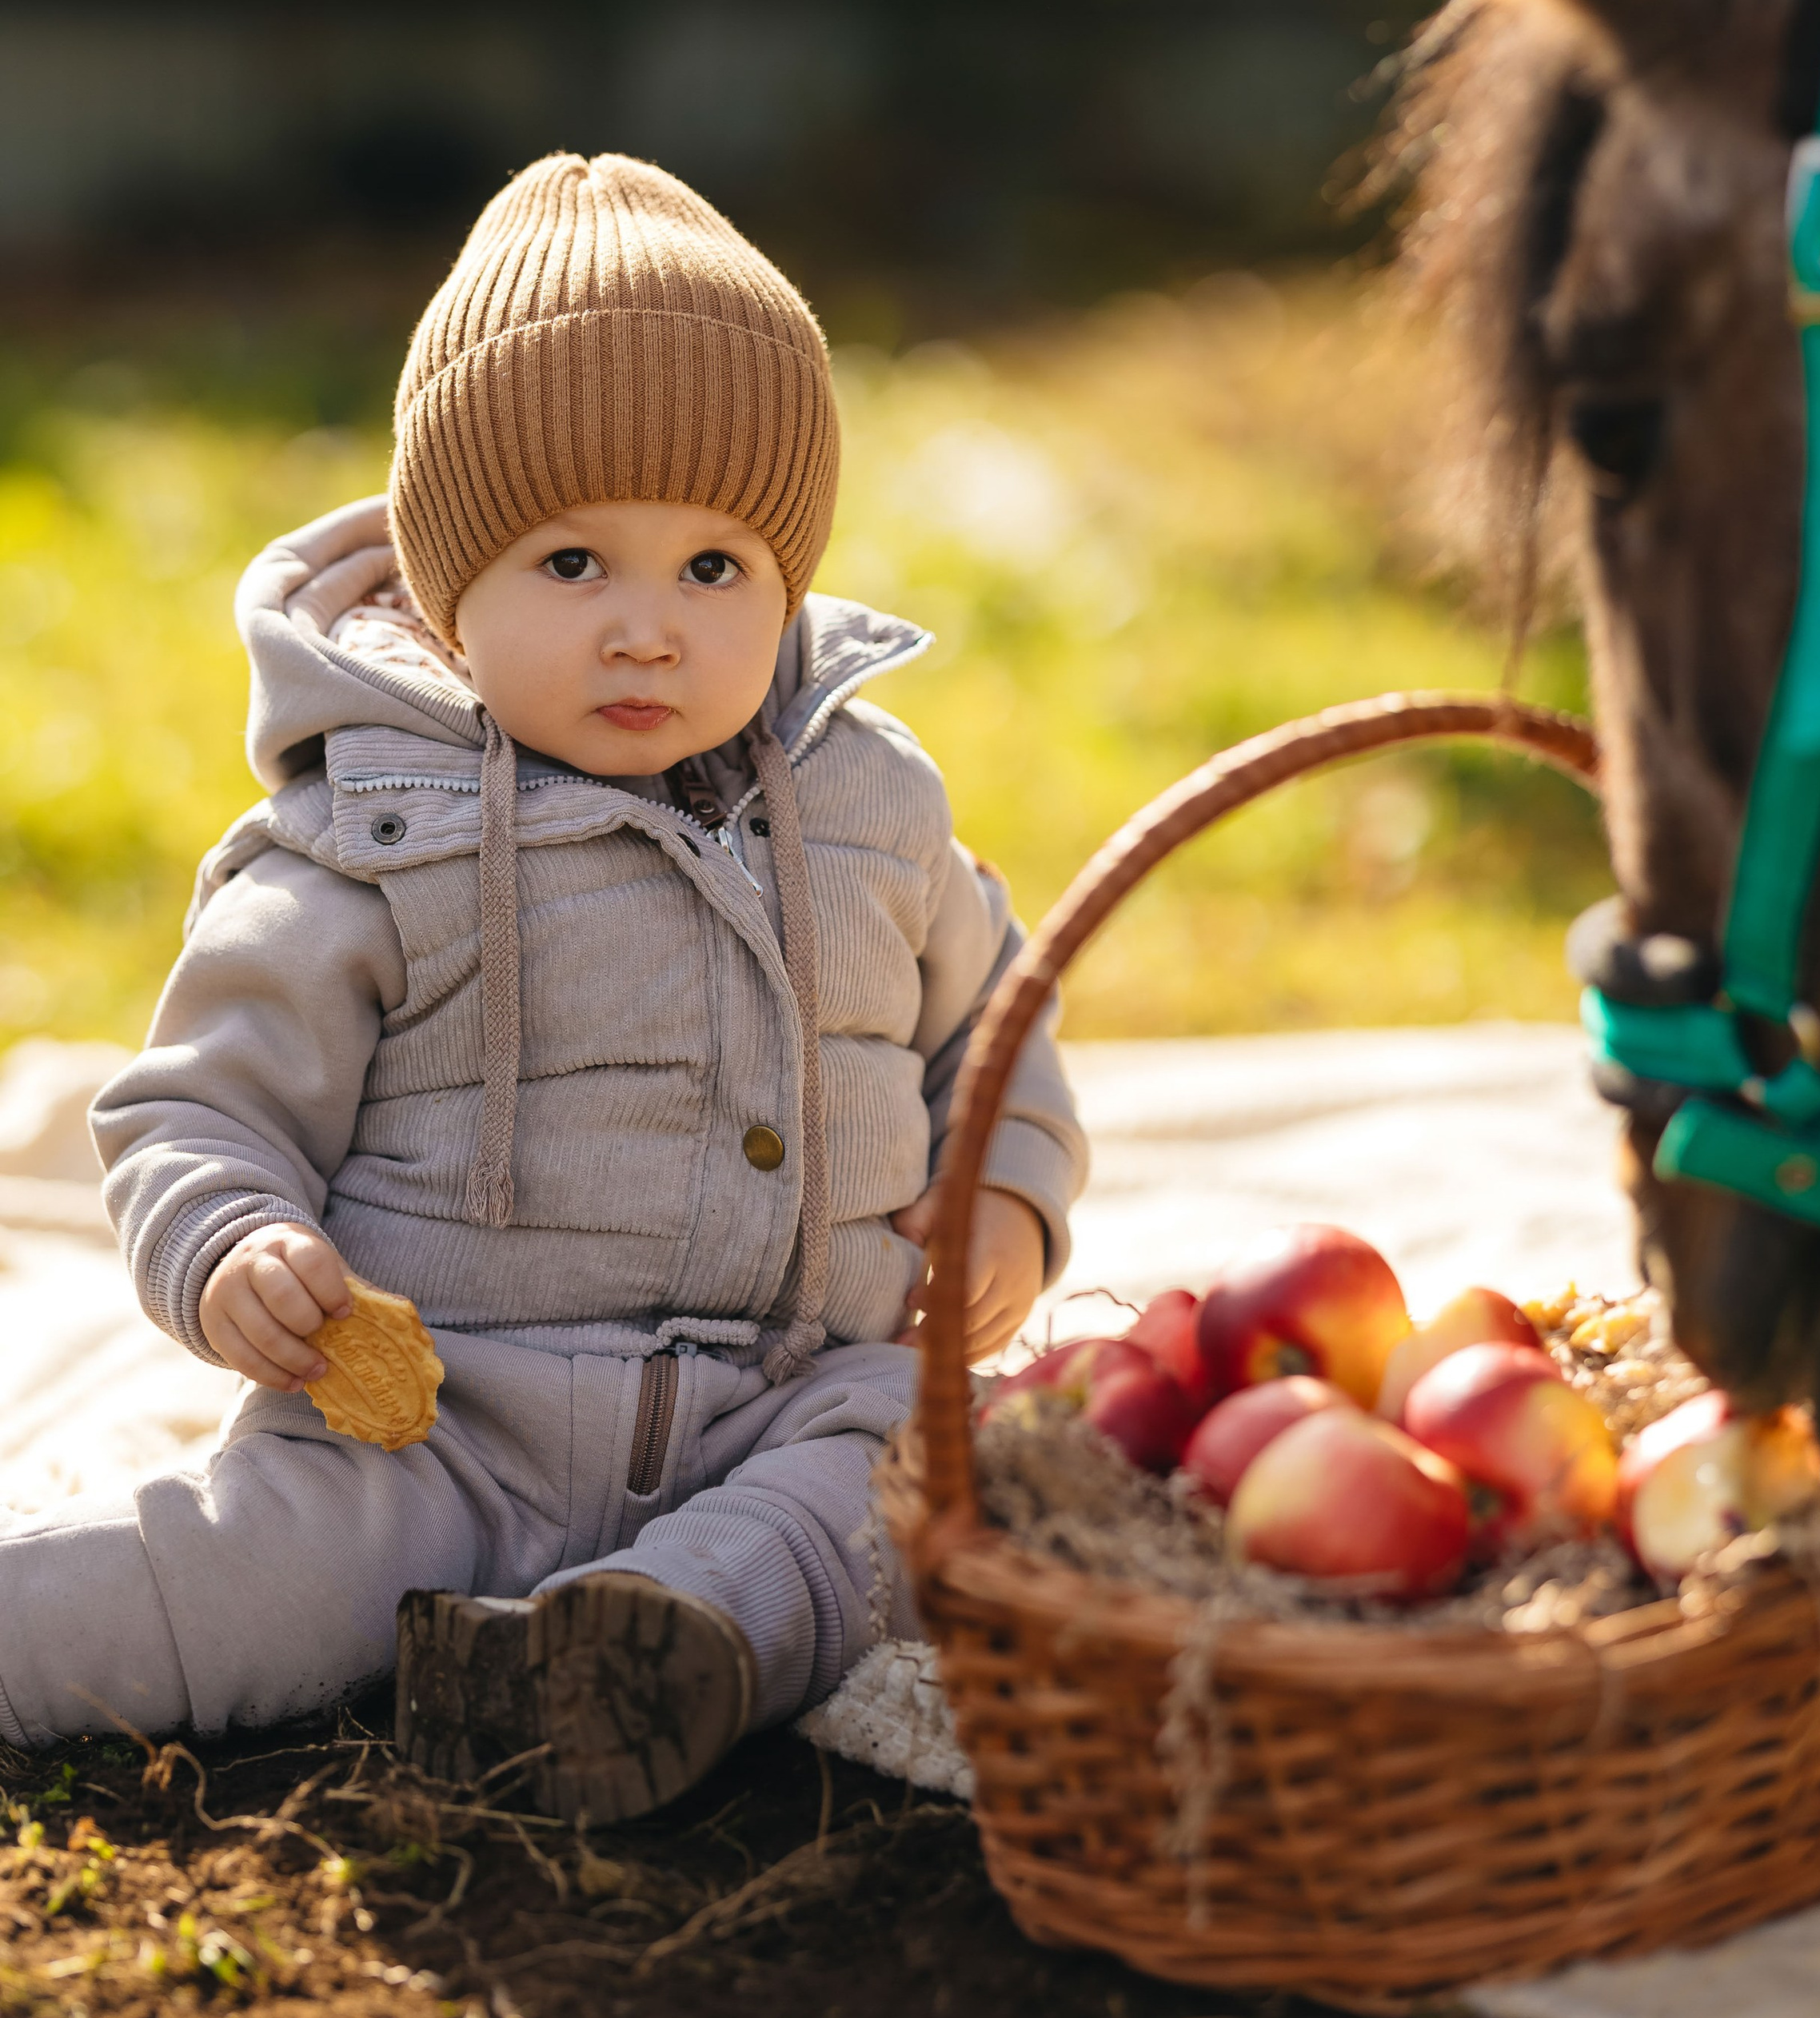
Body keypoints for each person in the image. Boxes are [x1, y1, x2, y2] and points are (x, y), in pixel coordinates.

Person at [49, 151, 1087, 1821]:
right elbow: (198, 1105)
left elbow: (998, 1035)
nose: (646, 632)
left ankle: (662, 1642)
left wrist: (1006, 1215)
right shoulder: (364, 841)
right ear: (447, 597)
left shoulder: (876, 811)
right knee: (223, 1591)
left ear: (792, 580)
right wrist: (232, 1245)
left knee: (924, 1462)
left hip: (777, 1395)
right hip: (438, 1425)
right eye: (569, 565)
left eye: (713, 570)